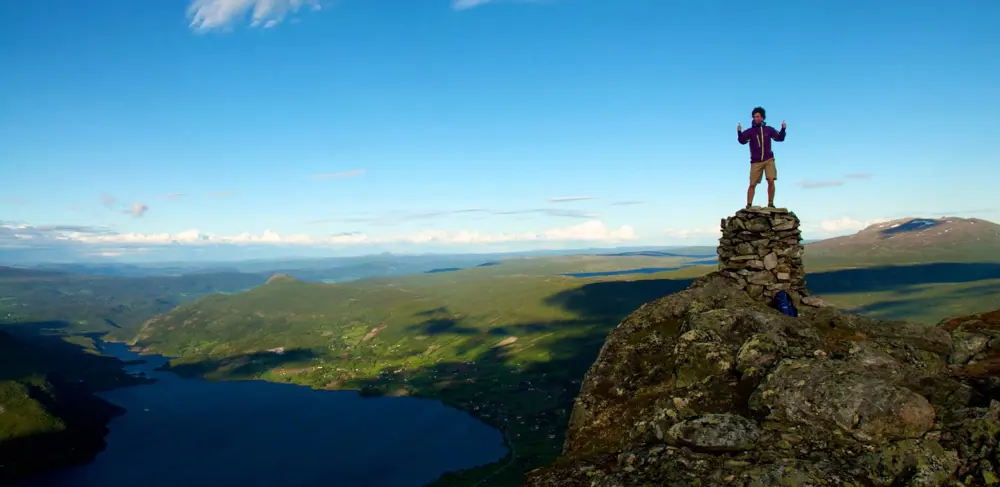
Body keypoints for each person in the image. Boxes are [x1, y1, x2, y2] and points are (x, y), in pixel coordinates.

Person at [738, 107, 786, 208]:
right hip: (756, 161)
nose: (756, 118)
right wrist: (739, 132)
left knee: (771, 180)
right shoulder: (750, 131)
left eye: (758, 116)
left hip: (768, 159)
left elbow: (780, 138)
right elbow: (742, 140)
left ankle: (770, 203)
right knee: (752, 184)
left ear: (762, 118)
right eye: (754, 117)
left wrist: (783, 129)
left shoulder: (768, 129)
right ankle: (749, 205)